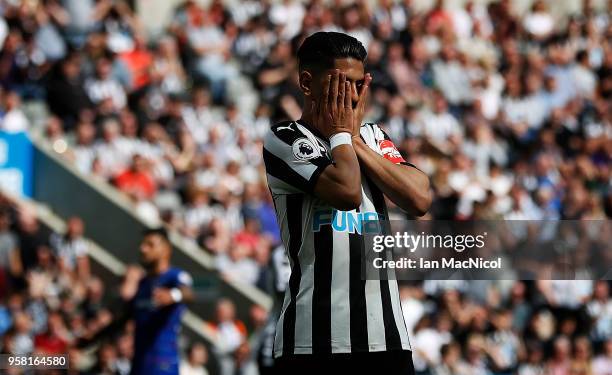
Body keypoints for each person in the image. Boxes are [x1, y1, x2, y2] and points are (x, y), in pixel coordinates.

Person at [263, 31, 431, 374]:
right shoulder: (285, 139)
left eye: (358, 84)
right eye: (341, 84)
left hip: (387, 339)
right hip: (313, 343)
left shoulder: (372, 137)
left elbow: (418, 197)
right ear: (307, 83)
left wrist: (354, 140)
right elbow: (347, 191)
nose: (351, 96)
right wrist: (344, 136)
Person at [80, 228, 194, 375]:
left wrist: (173, 295)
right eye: (142, 244)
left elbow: (189, 293)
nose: (143, 249)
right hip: (139, 363)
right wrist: (90, 340)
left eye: (150, 245)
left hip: (162, 365)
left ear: (166, 250)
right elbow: (123, 318)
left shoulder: (175, 277)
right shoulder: (144, 284)